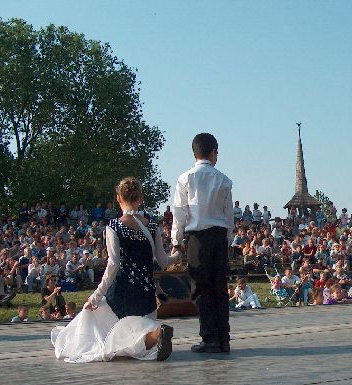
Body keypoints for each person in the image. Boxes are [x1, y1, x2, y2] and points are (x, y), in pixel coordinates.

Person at [51, 177, 179, 362]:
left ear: (118, 198)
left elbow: (113, 264)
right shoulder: (152, 226)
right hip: (146, 295)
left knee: (103, 331)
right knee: (133, 334)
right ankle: (154, 334)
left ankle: (156, 334)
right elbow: (163, 261)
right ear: (141, 198)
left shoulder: (114, 226)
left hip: (121, 293)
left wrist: (96, 295)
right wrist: (177, 255)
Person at [171, 133, 233, 354]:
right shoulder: (224, 180)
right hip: (219, 235)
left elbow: (179, 212)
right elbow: (228, 215)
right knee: (219, 287)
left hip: (197, 237)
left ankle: (210, 337)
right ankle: (223, 338)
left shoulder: (185, 178)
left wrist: (176, 241)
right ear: (213, 152)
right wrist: (228, 240)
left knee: (201, 288)